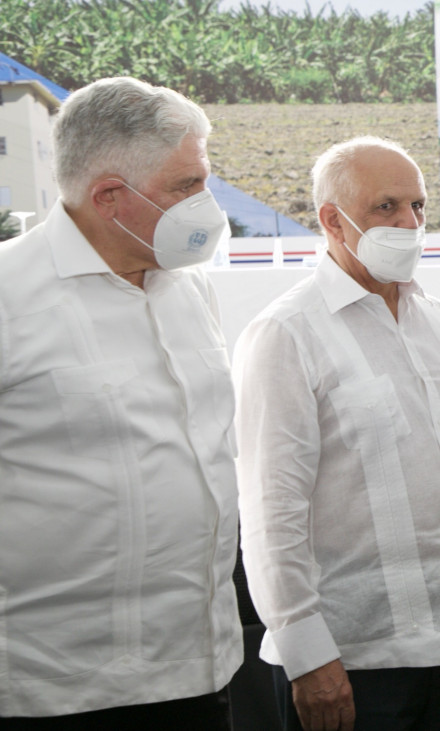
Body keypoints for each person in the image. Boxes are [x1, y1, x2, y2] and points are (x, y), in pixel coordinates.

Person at [234, 137, 440, 731]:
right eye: (386, 207)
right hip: (352, 659)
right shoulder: (286, 333)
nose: (409, 222)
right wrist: (308, 656)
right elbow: (271, 515)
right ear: (332, 221)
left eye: (417, 206)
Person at [0, 76, 241, 727]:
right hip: (63, 685)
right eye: (186, 186)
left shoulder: (190, 289)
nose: (207, 205)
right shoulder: (9, 294)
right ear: (110, 197)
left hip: (202, 663)